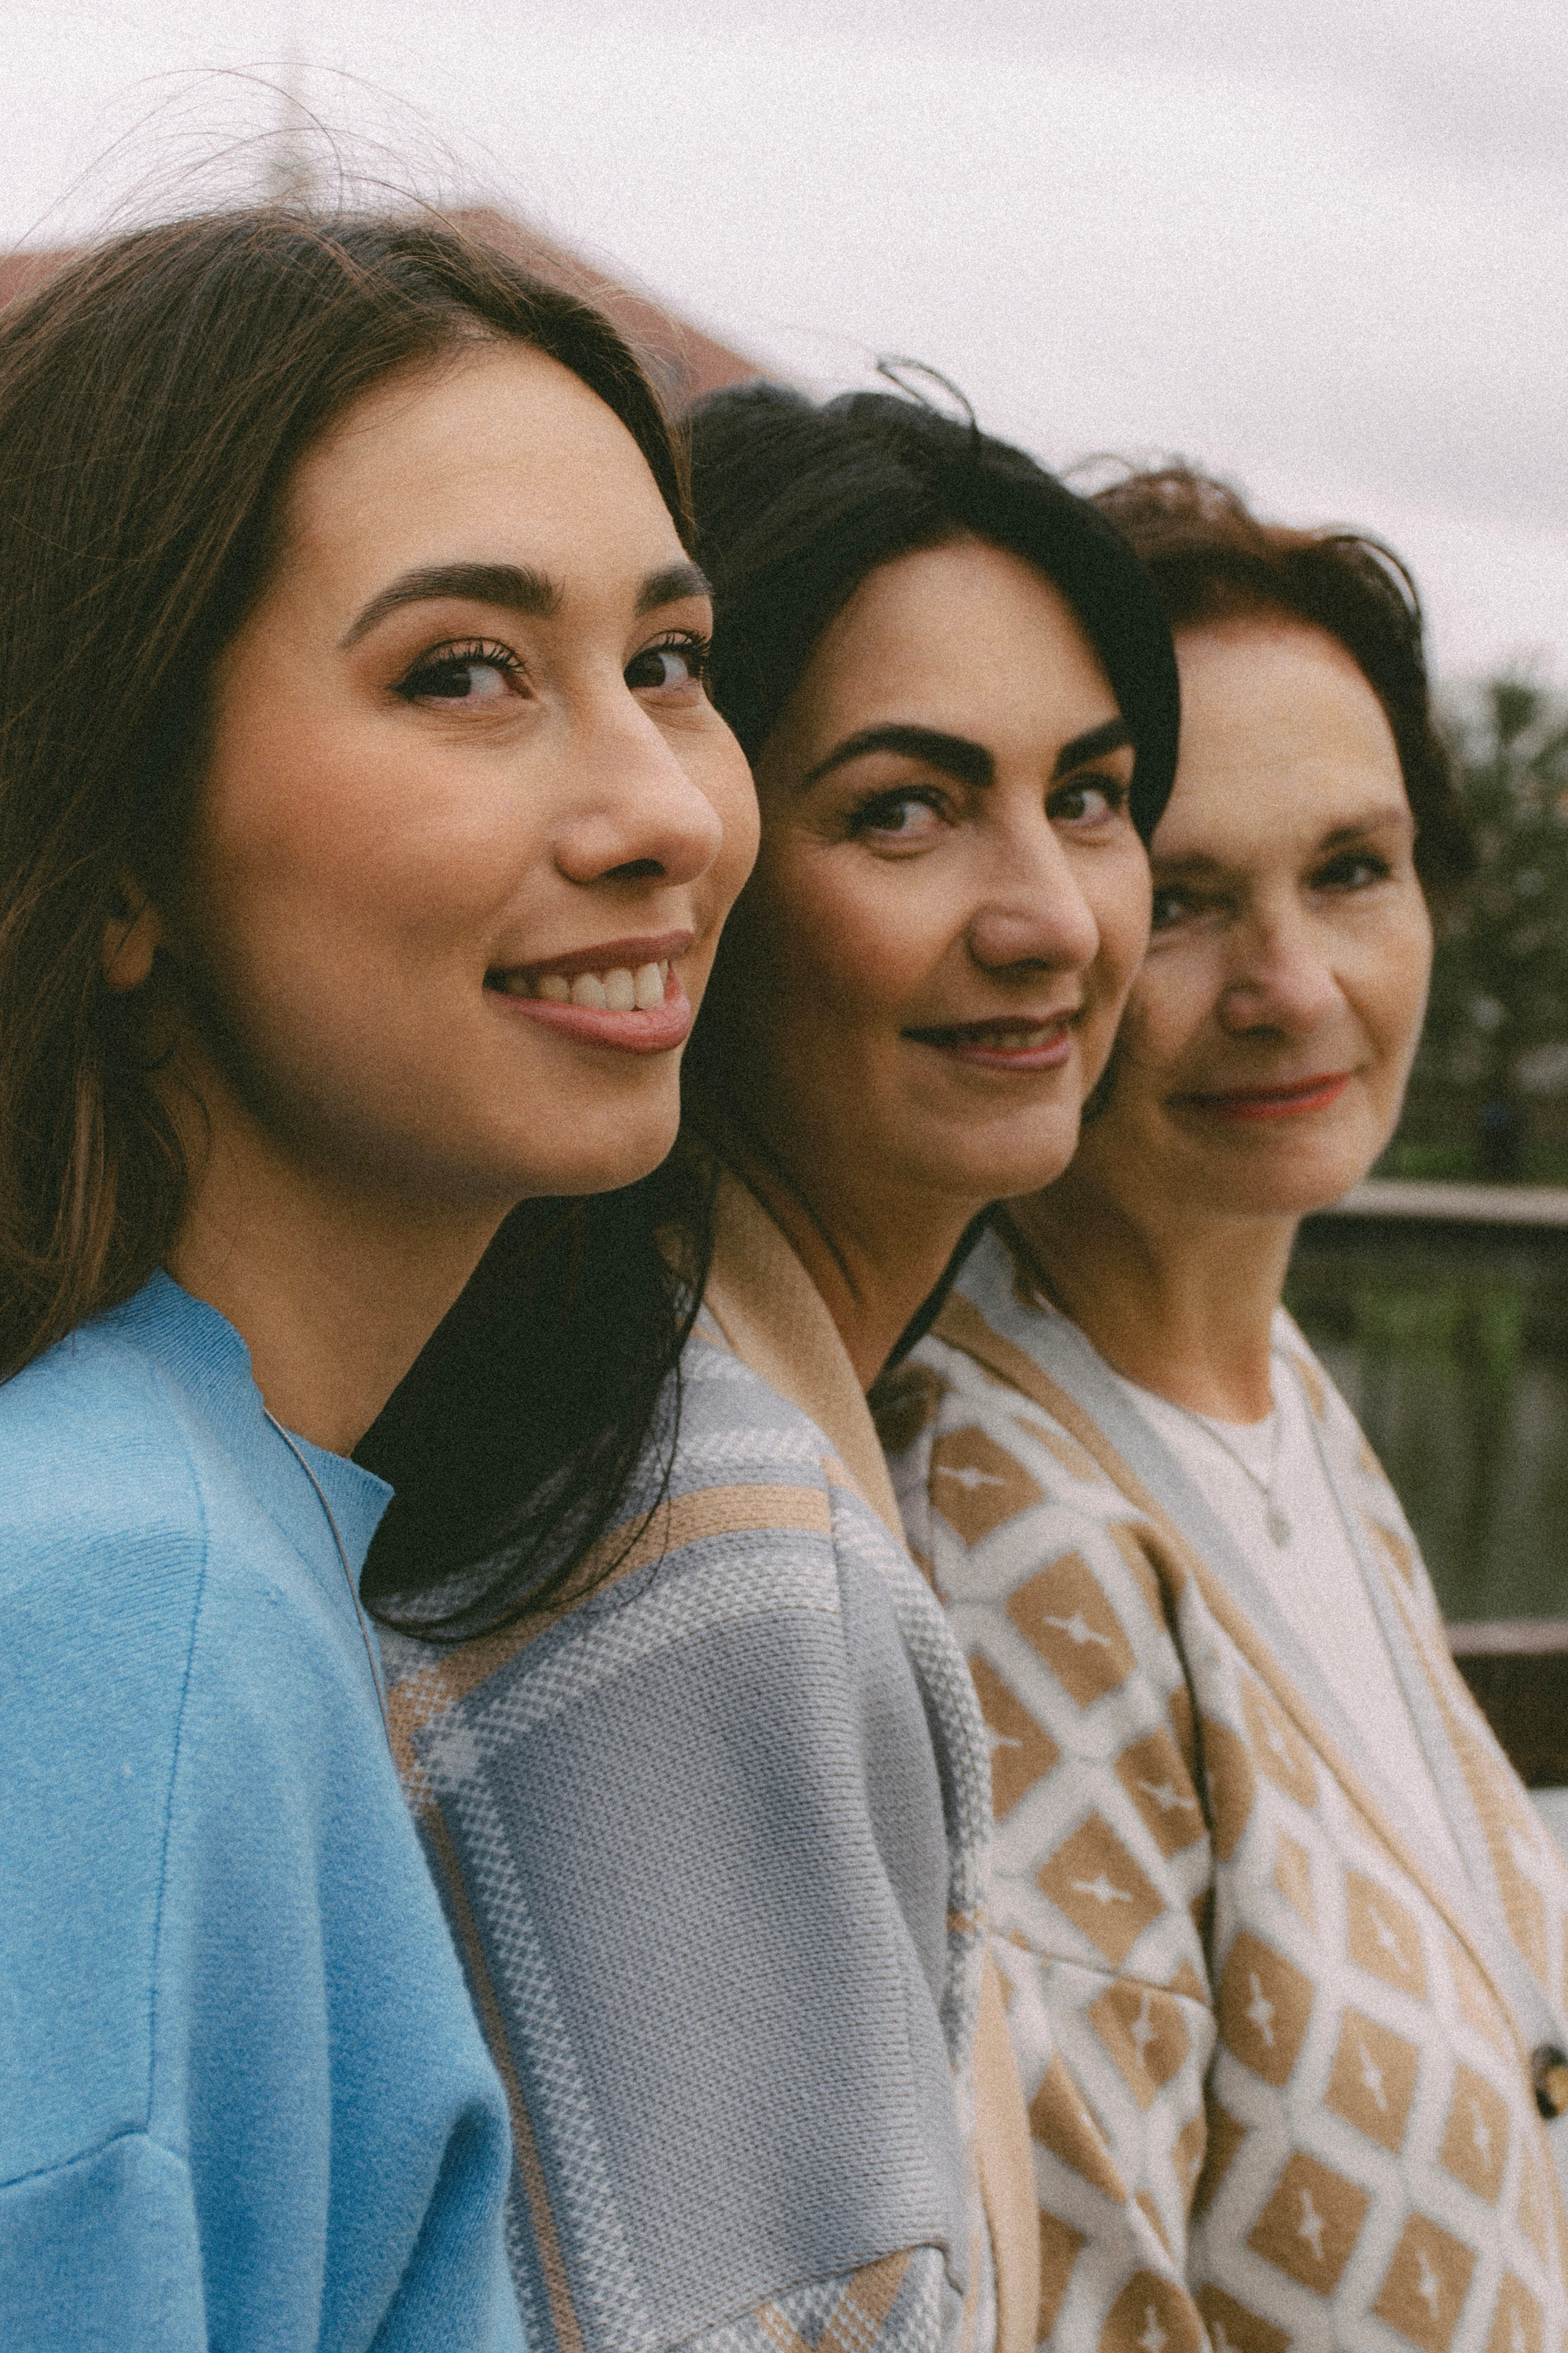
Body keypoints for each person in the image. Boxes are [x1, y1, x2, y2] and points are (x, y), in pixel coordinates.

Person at [360, 379, 1180, 2353]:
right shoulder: (690, 1531)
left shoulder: (749, 1398)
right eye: (901, 808)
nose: (1049, 915)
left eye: (1090, 794)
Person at [0, 207, 755, 2350]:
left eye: (672, 664)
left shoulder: (193, 1519)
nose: (662, 810)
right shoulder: (119, 1613)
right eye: (466, 669)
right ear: (123, 846)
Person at [876, 466, 1568, 2346]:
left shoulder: (1278, 1400)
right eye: (1185, 900)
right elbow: (1078, 2292)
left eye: (1352, 868)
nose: (1291, 988)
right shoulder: (1007, 1534)